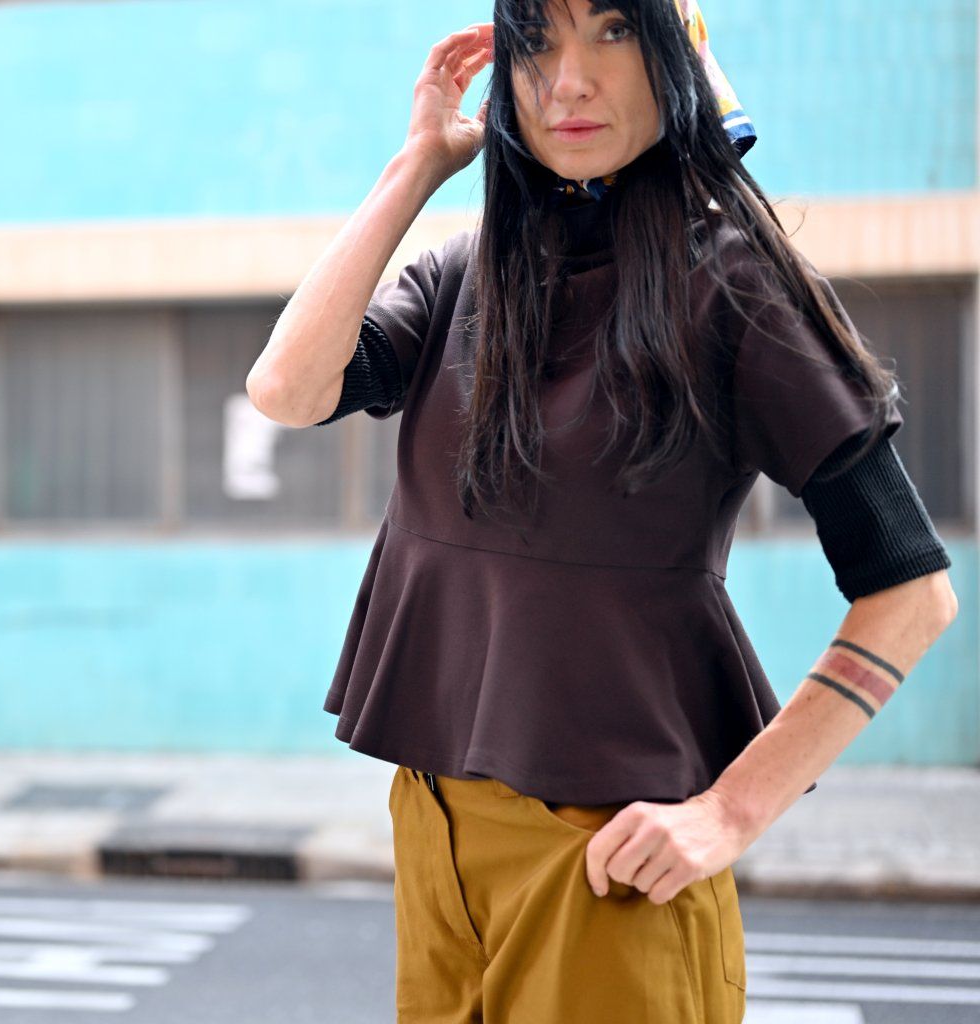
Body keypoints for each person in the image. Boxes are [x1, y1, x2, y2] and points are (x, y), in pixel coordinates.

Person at [247, 2, 957, 1021]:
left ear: (675, 59)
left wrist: (729, 813)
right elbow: (286, 389)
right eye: (535, 41)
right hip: (434, 829)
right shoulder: (469, 271)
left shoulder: (735, 287)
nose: (569, 79)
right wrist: (417, 166)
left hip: (607, 864)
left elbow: (912, 594)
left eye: (613, 31)